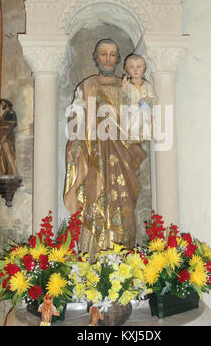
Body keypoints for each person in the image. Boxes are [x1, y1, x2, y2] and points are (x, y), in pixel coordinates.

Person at [64, 40, 146, 258]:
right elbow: (75, 120)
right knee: (95, 201)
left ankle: (122, 262)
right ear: (96, 57)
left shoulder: (126, 87)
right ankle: (91, 260)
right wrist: (78, 143)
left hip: (123, 157)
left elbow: (137, 122)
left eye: (112, 55)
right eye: (103, 54)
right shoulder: (86, 86)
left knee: (124, 205)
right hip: (94, 155)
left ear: (118, 59)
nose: (108, 59)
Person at [121, 54, 156, 141]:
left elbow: (154, 98)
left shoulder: (147, 85)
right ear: (127, 69)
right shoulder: (128, 85)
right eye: (132, 67)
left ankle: (144, 135)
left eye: (139, 67)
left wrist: (149, 100)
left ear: (144, 68)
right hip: (132, 113)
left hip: (144, 112)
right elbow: (122, 99)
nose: (135, 70)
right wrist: (123, 89)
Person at [0, 99, 17, 176]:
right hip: (2, 133)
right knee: (3, 152)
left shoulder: (11, 112)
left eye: (2, 103)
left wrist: (5, 135)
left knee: (8, 151)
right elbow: (0, 125)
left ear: (7, 104)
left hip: (7, 134)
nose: (2, 105)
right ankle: (6, 172)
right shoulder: (5, 113)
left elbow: (11, 125)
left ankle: (13, 172)